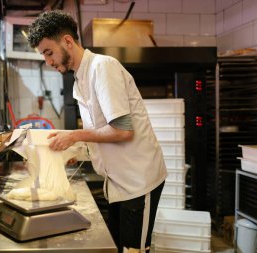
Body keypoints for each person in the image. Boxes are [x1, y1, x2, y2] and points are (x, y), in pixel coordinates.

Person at [28, 10, 167, 253]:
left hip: (138, 180)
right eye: (44, 56)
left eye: (49, 52)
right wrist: (78, 149)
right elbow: (100, 129)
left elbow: (123, 130)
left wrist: (74, 136)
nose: (48, 62)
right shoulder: (80, 79)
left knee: (134, 250)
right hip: (117, 181)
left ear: (68, 42)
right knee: (118, 247)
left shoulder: (103, 68)